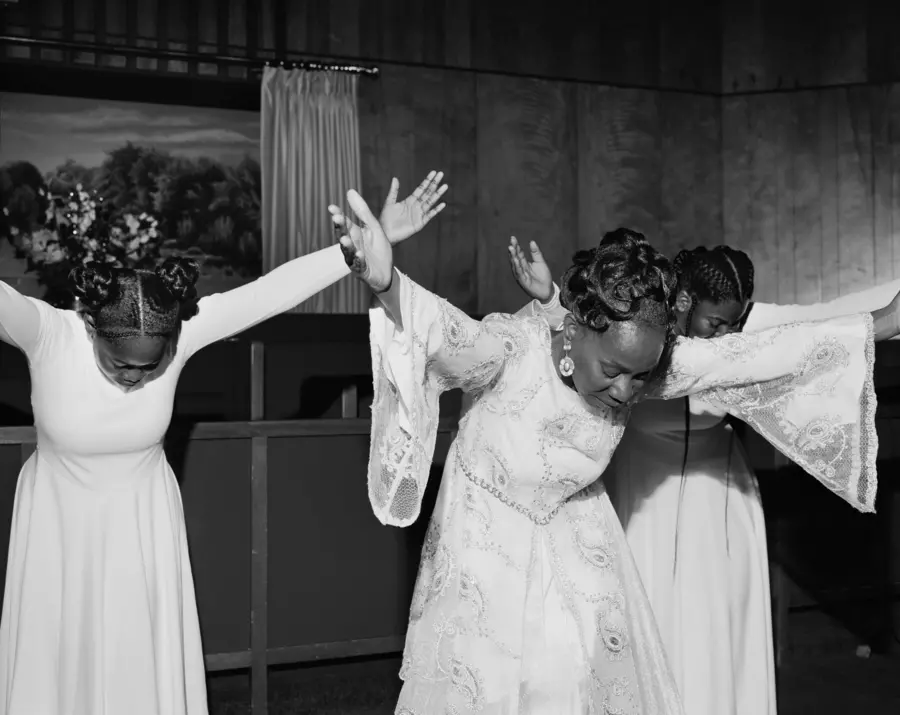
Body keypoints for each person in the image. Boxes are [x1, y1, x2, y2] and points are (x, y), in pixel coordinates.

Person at [332, 190, 894, 714]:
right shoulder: (507, 350)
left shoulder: (644, 364)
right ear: (576, 330)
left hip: (576, 538)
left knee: (577, 685)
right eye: (614, 371)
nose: (627, 391)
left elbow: (758, 356)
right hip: (485, 542)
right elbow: (446, 335)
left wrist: (888, 321)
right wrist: (387, 284)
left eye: (641, 375)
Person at [0, 172, 447, 715]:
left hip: (142, 528)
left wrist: (355, 250)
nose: (135, 378)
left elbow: (265, 295)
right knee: (58, 663)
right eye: (120, 364)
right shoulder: (48, 333)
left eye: (149, 365)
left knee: (135, 665)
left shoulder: (181, 333)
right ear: (91, 327)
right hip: (57, 527)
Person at [509, 238, 777, 715]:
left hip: (717, 502)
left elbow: (807, 333)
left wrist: (878, 322)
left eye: (733, 325)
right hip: (643, 493)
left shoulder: (725, 348)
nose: (724, 336)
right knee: (644, 617)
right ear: (686, 303)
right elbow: (579, 342)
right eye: (715, 323)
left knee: (711, 624)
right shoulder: (646, 348)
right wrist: (549, 298)